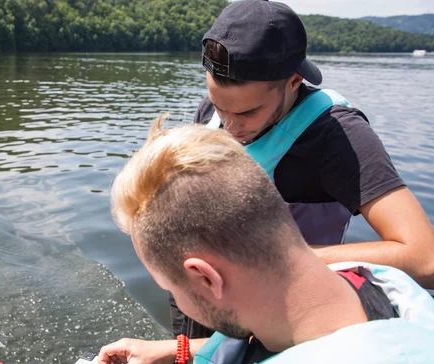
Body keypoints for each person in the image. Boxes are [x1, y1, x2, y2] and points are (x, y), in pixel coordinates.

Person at [100, 0, 434, 361]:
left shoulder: (338, 137)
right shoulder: (216, 112)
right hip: (206, 302)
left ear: (293, 81)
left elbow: (424, 258)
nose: (229, 126)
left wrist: (271, 259)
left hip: (296, 324)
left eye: (247, 112)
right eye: (218, 105)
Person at [101, 120, 434, 364]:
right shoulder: (373, 280)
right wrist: (171, 350)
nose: (174, 298)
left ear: (206, 277)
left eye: (171, 289)